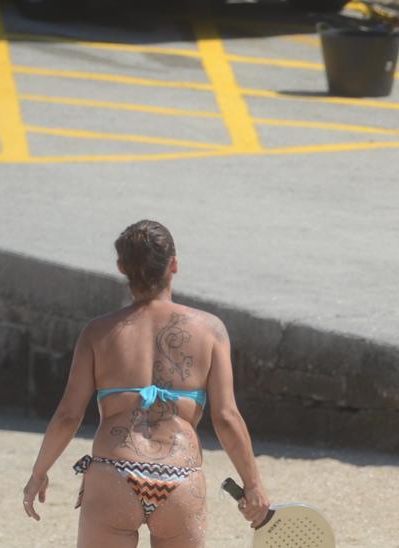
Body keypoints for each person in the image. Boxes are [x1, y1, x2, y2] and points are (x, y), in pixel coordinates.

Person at [21, 220, 270, 547]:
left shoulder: (98, 332)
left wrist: (39, 472)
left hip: (114, 472)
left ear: (121, 267)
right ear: (174, 264)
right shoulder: (210, 330)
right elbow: (226, 417)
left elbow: (68, 415)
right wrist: (252, 485)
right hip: (180, 477)